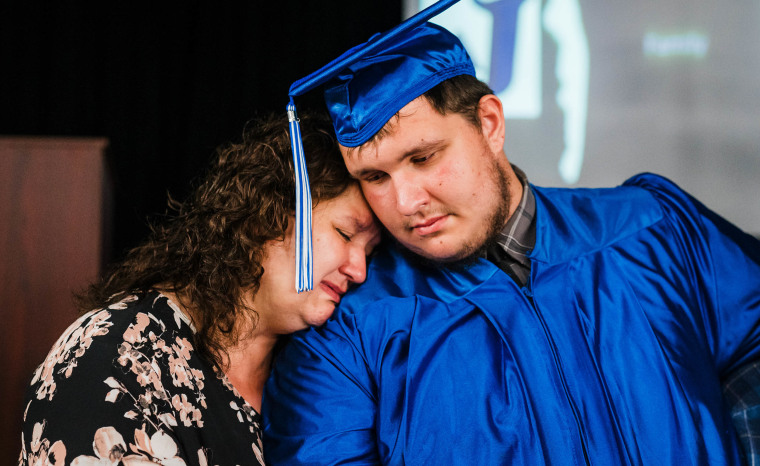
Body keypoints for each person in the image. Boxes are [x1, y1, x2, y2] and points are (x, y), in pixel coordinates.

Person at [262, 2, 760, 464]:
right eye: (375, 177)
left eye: (423, 157)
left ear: (491, 124)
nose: (407, 203)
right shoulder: (348, 335)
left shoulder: (653, 229)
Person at [18, 111, 380, 465]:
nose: (360, 270)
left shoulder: (318, 374)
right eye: (345, 234)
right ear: (266, 216)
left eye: (370, 253)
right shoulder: (114, 358)